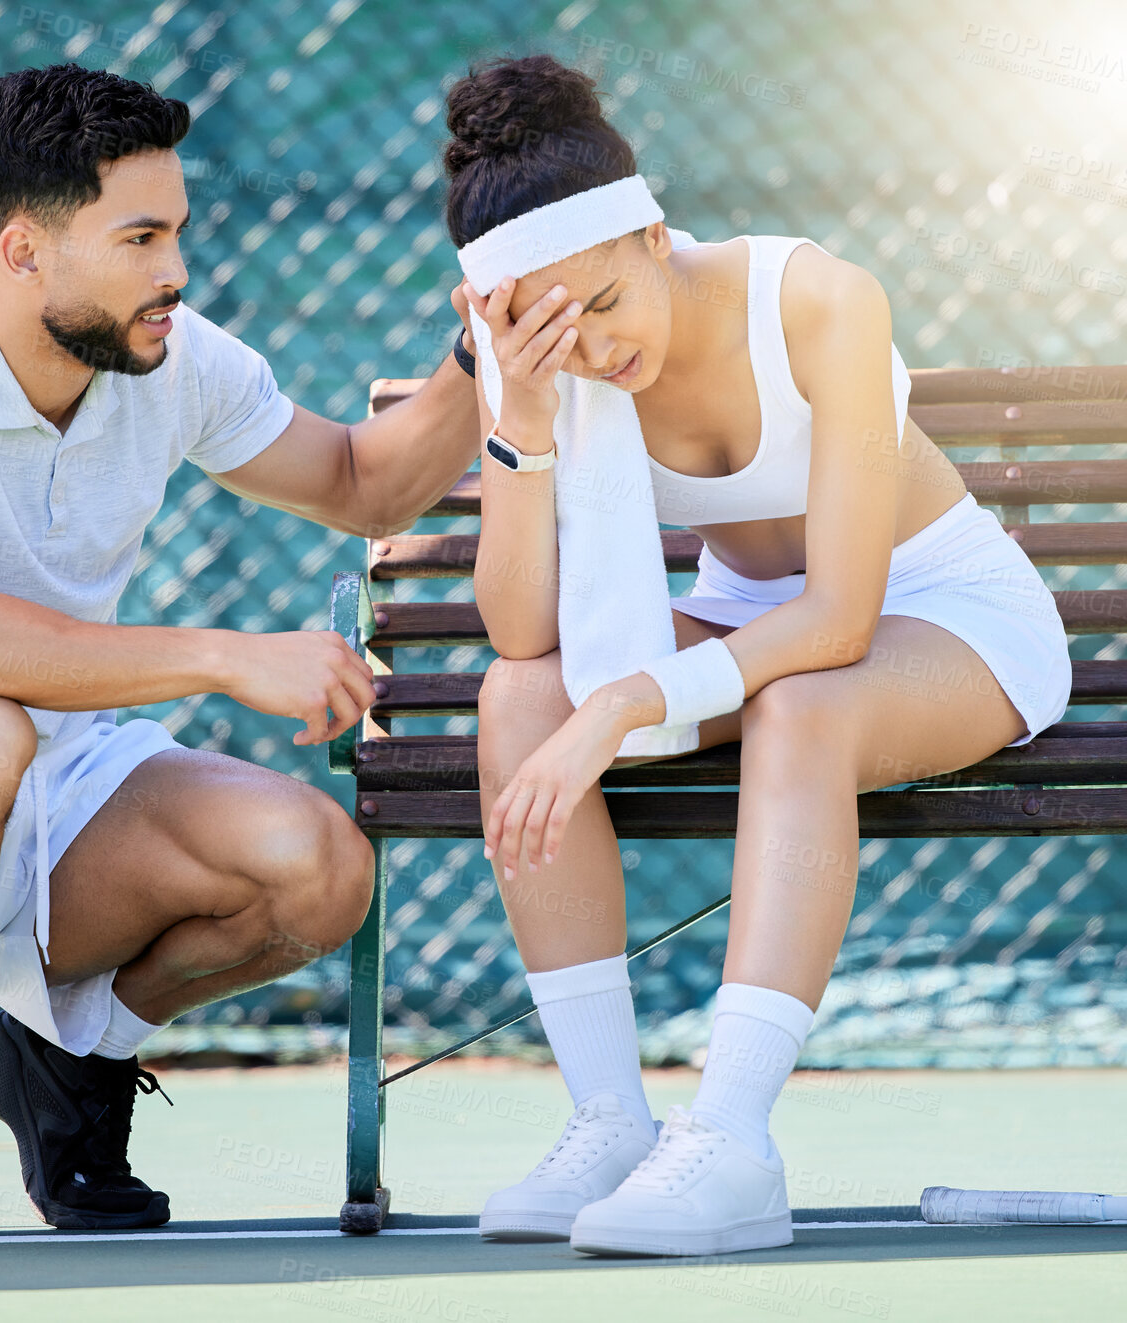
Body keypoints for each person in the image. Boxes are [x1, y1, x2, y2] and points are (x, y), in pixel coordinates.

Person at [0, 61, 485, 1251]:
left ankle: (66, 1056)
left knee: (316, 871)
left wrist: (482, 357)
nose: (174, 269)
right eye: (140, 237)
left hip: (60, 794)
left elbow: (363, 481)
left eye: (177, 231)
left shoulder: (169, 357)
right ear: (25, 251)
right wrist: (221, 655)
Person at [441, 54, 1072, 1257]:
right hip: (752, 630)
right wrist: (520, 425)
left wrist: (631, 694)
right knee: (519, 695)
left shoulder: (817, 299)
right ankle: (611, 1123)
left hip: (940, 619)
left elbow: (837, 622)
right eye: (557, 337)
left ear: (655, 235)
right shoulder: (540, 359)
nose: (595, 353)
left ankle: (732, 1139)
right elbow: (524, 632)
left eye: (609, 309)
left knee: (804, 711)